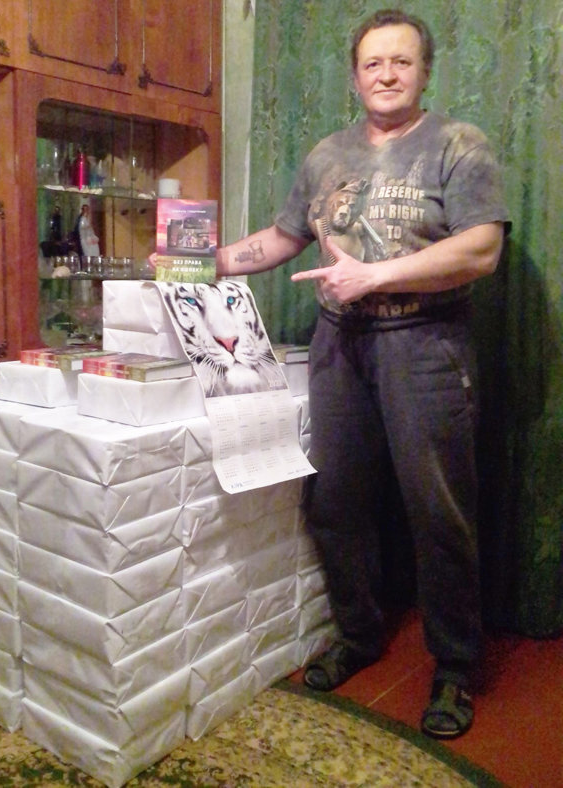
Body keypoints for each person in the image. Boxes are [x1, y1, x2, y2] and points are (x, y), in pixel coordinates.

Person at [216, 8, 510, 740]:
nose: (386, 74)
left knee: (438, 511)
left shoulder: (459, 145)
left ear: (424, 71)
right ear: (354, 76)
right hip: (340, 346)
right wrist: (203, 259)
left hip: (426, 345)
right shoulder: (326, 156)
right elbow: (282, 237)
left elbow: (481, 249)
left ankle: (454, 666)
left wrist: (375, 276)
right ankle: (359, 633)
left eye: (401, 62)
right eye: (373, 63)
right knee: (335, 502)